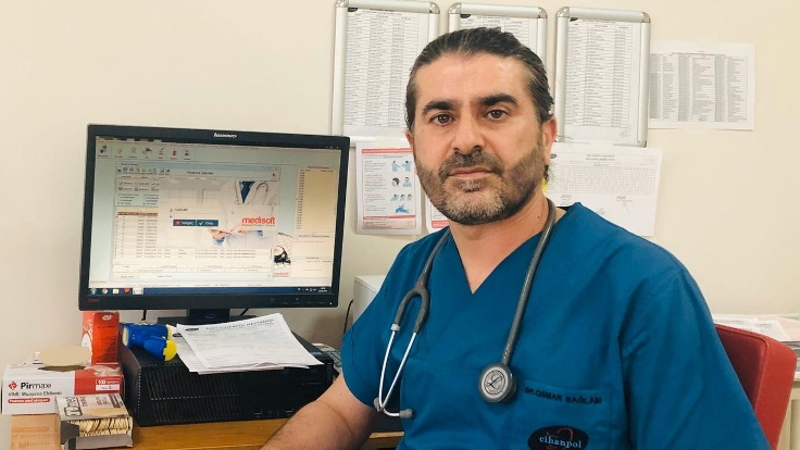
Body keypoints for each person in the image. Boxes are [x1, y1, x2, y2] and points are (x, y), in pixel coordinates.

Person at [262, 27, 769, 449]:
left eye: (496, 112)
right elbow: (339, 412)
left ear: (547, 137)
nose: (465, 140)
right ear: (414, 145)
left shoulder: (643, 287)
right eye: (442, 117)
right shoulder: (416, 269)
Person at [210, 179, 278, 248]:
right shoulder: (226, 188)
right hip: (232, 250)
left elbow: (280, 226)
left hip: (261, 250)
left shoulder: (274, 188)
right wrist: (216, 237)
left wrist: (255, 224)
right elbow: (219, 234)